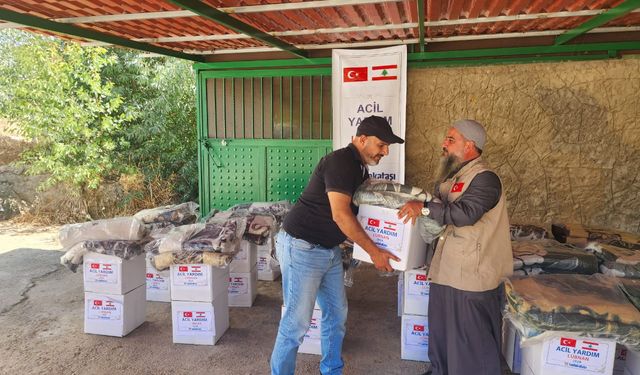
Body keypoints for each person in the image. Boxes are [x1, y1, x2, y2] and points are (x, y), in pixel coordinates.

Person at [270, 115, 404, 375]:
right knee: (296, 324)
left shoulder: (359, 166)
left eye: (388, 146)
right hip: (302, 248)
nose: (385, 152)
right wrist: (374, 252)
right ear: (362, 139)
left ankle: (331, 370)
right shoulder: (342, 161)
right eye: (381, 145)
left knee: (336, 315)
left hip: (328, 250)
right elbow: (341, 215)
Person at [398, 119, 513, 375]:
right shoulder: (455, 176)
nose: (443, 144)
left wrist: (425, 207)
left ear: (470, 145)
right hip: (446, 269)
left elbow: (466, 214)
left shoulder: (486, 178)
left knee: (471, 340)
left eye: (451, 140)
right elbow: (441, 208)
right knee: (442, 332)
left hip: (472, 275)